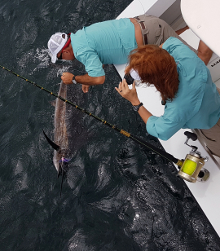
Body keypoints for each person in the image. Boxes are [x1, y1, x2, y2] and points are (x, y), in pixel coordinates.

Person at [47, 15, 212, 93]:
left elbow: (100, 78)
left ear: (66, 50)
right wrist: (87, 79)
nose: (63, 60)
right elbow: (98, 59)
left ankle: (212, 22)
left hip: (151, 37)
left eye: (61, 57)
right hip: (147, 26)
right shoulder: (80, 36)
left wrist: (75, 79)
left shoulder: (81, 51)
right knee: (170, 39)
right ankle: (192, 30)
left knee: (199, 61)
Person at [115, 37, 220, 157]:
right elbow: (171, 42)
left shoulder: (178, 107)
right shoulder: (187, 57)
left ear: (155, 80)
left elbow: (160, 131)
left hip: (213, 125)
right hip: (215, 97)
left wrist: (135, 102)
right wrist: (151, 60)